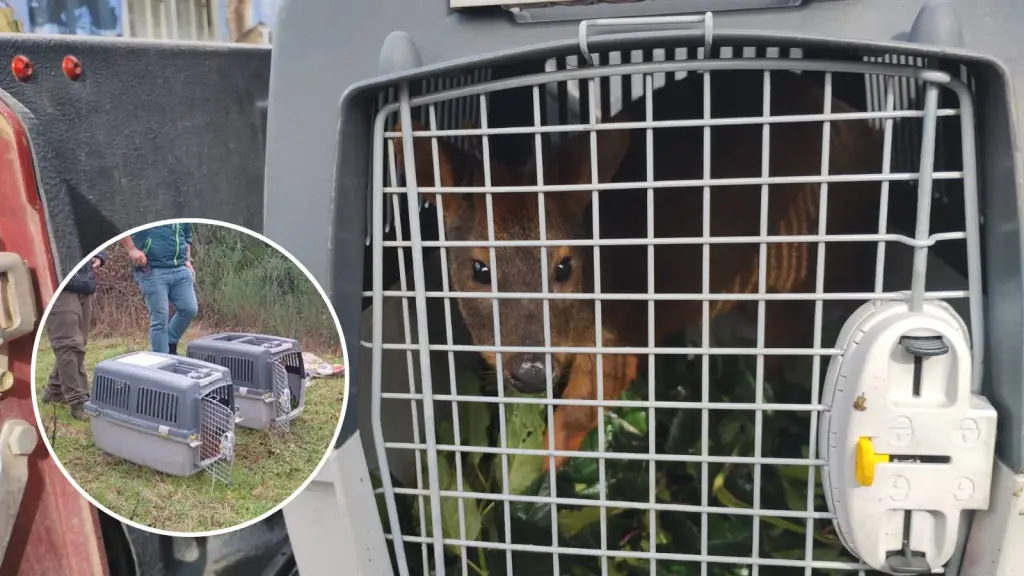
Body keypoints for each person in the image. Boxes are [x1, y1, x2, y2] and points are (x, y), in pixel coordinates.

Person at [42, 250, 107, 420]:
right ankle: (80, 401)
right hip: (57, 280)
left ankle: (55, 390)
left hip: (84, 281)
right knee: (69, 343)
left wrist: (100, 255)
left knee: (79, 342)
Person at [119, 223, 198, 355]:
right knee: (160, 318)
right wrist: (132, 249)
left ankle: (170, 342)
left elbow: (186, 234)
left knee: (189, 309)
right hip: (152, 269)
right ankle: (162, 360)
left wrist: (188, 259)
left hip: (180, 268)